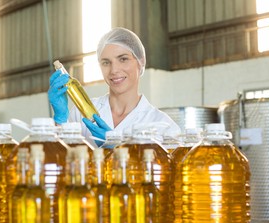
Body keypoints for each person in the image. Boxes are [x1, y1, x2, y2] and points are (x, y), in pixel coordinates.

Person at [48, 27, 180, 147]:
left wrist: (116, 147)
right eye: (106, 62)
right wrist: (60, 121)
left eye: (123, 59)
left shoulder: (164, 126)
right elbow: (61, 161)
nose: (114, 70)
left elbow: (166, 172)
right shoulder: (81, 112)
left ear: (141, 61)